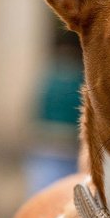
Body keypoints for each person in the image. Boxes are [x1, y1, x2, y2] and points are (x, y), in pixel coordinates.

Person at [24, 27, 84, 197]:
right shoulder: (78, 78)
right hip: (62, 148)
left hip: (50, 147)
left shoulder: (49, 76)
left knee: (43, 195)